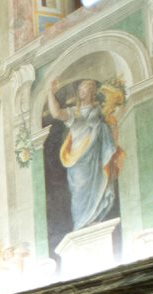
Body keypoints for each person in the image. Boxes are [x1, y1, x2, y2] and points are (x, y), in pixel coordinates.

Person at [46, 77, 120, 230]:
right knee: (79, 190)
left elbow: (110, 126)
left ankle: (94, 218)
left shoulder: (100, 110)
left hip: (96, 158)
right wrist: (50, 93)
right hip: (78, 160)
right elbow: (56, 113)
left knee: (98, 185)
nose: (81, 91)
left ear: (92, 91)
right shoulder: (75, 112)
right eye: (80, 89)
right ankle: (80, 223)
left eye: (85, 88)